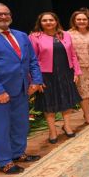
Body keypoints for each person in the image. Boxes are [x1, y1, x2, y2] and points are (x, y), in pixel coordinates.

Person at [0, 3, 43, 174]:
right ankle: (4, 161)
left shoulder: (21, 35)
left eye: (6, 13)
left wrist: (36, 81)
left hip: (22, 89)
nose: (3, 17)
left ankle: (18, 153)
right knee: (1, 128)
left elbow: (32, 61)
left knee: (21, 125)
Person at [30, 12, 82, 143]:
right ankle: (52, 131)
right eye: (45, 20)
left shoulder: (65, 35)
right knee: (49, 104)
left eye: (51, 20)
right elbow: (32, 60)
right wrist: (36, 80)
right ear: (40, 23)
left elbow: (73, 54)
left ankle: (67, 126)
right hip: (46, 76)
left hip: (66, 72)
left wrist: (76, 72)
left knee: (67, 101)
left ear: (56, 21)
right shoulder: (34, 37)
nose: (48, 22)